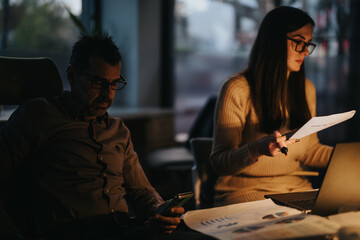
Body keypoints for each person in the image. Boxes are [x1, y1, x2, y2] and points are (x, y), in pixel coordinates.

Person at [0, 34, 212, 240]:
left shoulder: (118, 129)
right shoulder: (40, 115)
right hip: (72, 231)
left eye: (113, 84)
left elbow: (141, 192)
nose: (107, 94)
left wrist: (159, 210)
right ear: (72, 76)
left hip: (124, 230)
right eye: (97, 82)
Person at [210, 6, 333, 206]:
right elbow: (219, 162)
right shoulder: (237, 89)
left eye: (308, 44)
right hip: (245, 191)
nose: (305, 52)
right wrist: (256, 149)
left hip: (295, 188)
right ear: (274, 41)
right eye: (298, 42)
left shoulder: (306, 88)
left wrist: (349, 156)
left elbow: (310, 150)